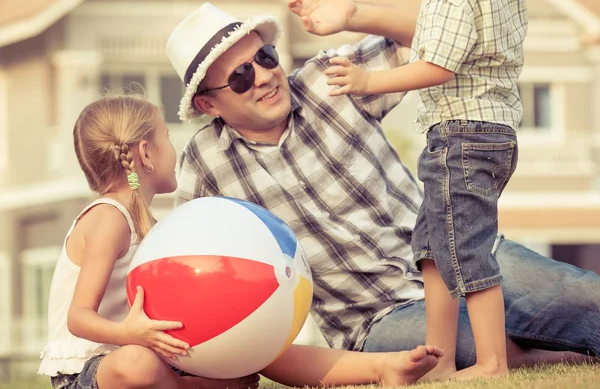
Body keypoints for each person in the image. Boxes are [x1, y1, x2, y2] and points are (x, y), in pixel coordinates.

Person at [167, 15, 600, 370]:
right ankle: (555, 357)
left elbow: (442, 32)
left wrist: (352, 13)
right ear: (208, 104)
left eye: (264, 57)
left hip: (461, 254)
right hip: (375, 319)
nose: (263, 76)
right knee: (473, 344)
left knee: (583, 297)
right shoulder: (204, 163)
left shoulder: (327, 79)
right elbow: (178, 261)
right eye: (241, 77)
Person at [297, 0, 567, 381]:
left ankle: (491, 363)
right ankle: (440, 358)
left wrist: (369, 82)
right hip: (493, 134)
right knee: (432, 249)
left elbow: (438, 65)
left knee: (464, 251)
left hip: (461, 137)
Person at [38, 94, 443, 389]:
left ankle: (381, 368)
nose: (173, 148)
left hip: (148, 347)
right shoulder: (109, 218)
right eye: (166, 137)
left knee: (257, 343)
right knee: (137, 365)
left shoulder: (152, 225)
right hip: (91, 370)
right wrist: (137, 334)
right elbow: (79, 318)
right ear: (146, 153)